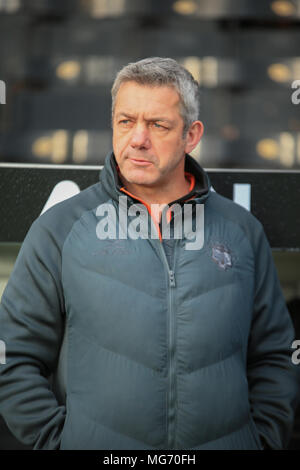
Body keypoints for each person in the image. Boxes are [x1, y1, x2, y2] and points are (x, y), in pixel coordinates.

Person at [0, 57, 299, 450]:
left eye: (158, 125)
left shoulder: (242, 232)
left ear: (192, 135)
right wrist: (63, 443)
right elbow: (13, 356)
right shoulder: (59, 230)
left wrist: (258, 440)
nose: (138, 138)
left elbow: (276, 357)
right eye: (126, 121)